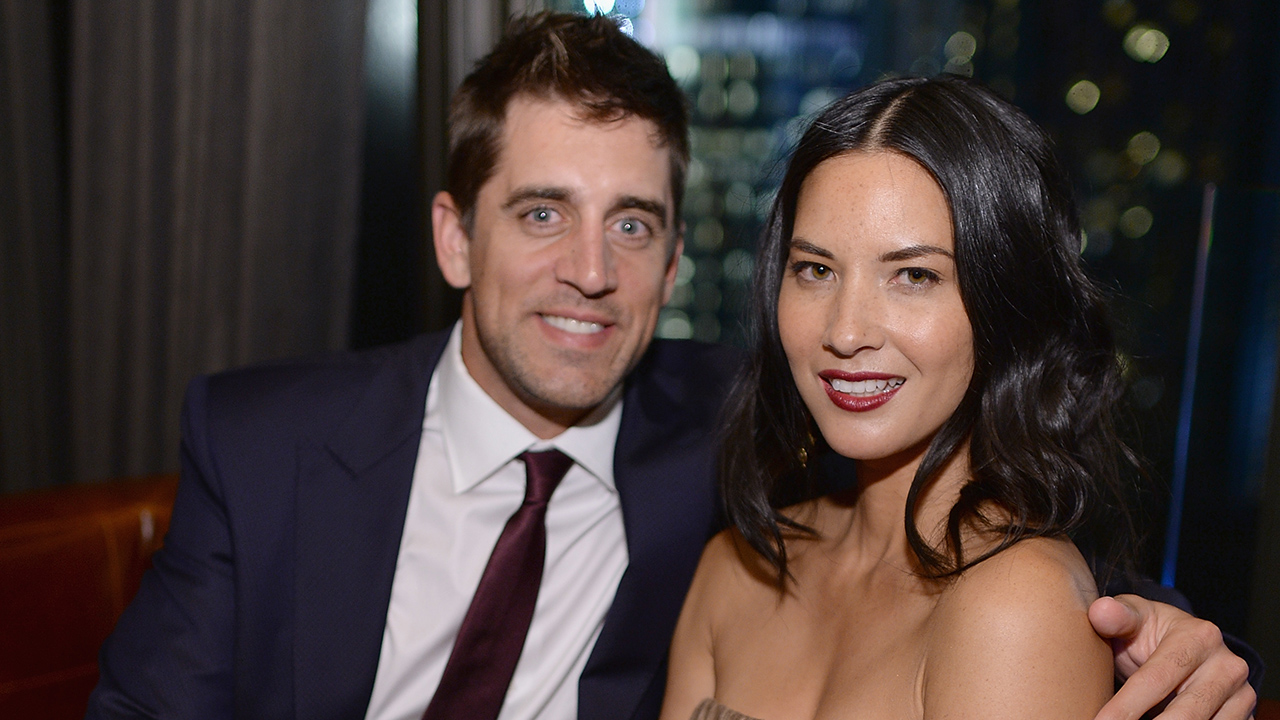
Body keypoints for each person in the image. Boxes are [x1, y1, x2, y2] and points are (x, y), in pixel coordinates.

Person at [87, 13, 1255, 720]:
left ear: (678, 256)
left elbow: (1019, 564)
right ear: (454, 236)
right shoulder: (265, 441)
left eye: (633, 224)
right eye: (542, 213)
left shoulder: (727, 422)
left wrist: (1171, 637)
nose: (589, 271)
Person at [659, 75, 1258, 720]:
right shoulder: (737, 567)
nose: (845, 331)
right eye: (816, 270)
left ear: (1006, 304)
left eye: (914, 275)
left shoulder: (1014, 603)